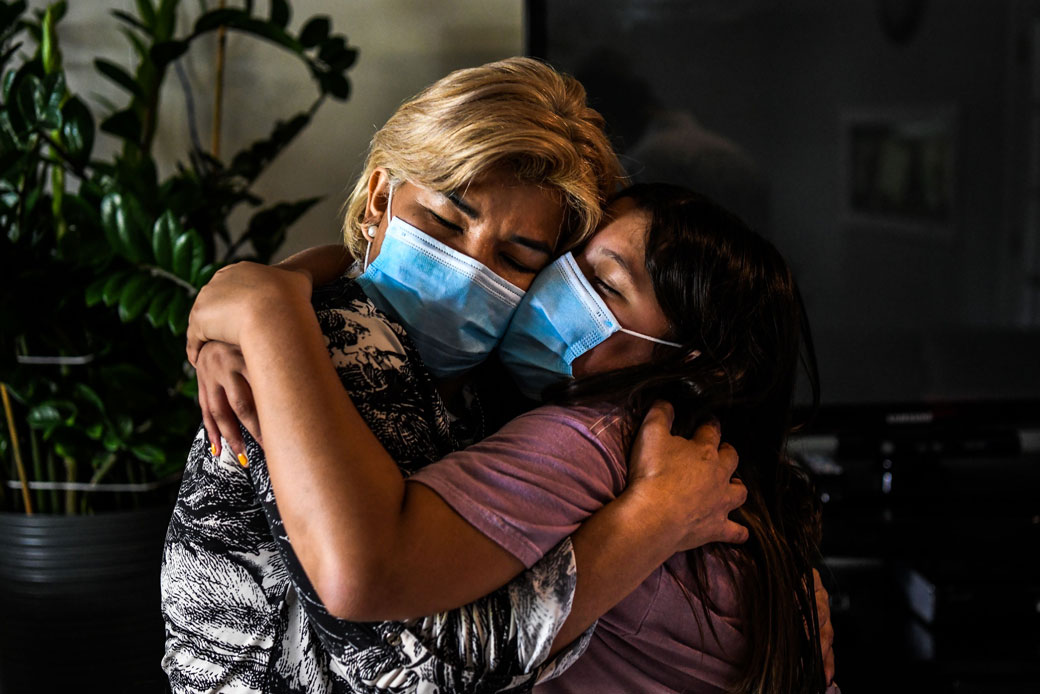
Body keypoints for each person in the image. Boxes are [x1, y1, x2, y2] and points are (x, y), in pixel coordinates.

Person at [161, 57, 752, 694]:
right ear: (382, 198)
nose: (468, 269)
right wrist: (648, 525)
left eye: (517, 256)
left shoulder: (477, 380)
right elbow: (407, 665)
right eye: (445, 222)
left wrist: (282, 282)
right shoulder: (341, 343)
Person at [187, 183, 836, 693]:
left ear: (692, 359)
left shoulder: (594, 440)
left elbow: (398, 640)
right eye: (560, 261)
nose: (559, 286)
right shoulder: (733, 470)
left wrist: (268, 309)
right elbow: (376, 269)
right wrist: (276, 293)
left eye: (604, 285)